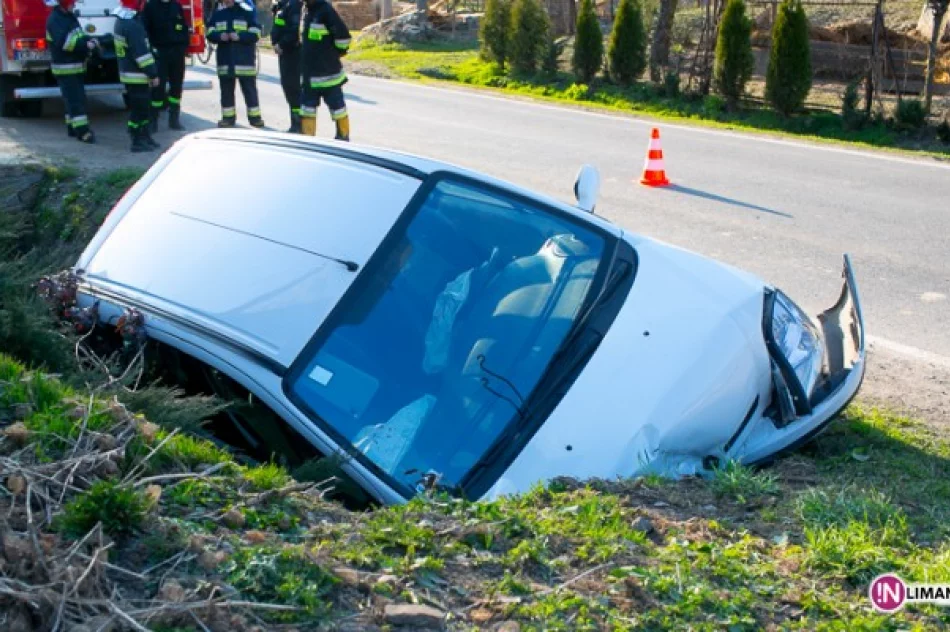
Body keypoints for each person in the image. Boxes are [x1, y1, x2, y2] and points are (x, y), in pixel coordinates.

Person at [45, 0, 99, 143]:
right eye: (71, 2)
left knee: (75, 99)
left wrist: (91, 40)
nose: (74, 5)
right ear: (63, 3)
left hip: (75, 66)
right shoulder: (55, 20)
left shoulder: (68, 17)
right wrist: (87, 45)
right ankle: (83, 132)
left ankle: (72, 128)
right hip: (65, 68)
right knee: (76, 101)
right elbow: (66, 43)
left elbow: (78, 35)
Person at [207, 0, 264, 128]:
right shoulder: (219, 14)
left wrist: (239, 37)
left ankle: (255, 118)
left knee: (250, 91)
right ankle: (228, 118)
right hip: (225, 61)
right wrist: (219, 36)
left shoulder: (247, 12)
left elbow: (256, 33)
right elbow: (209, 32)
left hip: (244, 62)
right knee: (226, 92)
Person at [114, 0, 162, 152]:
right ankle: (136, 140)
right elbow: (141, 54)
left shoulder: (122, 21)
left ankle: (145, 136)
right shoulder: (132, 26)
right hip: (137, 75)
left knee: (143, 109)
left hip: (130, 73)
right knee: (140, 111)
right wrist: (153, 73)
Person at [299, 0, 351, 140]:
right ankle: (307, 140)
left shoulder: (326, 10)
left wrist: (332, 55)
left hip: (329, 76)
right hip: (310, 75)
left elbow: (344, 38)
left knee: (338, 109)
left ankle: (343, 136)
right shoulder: (306, 10)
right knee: (307, 110)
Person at [142, 0, 189, 131]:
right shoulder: (150, 6)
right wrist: (152, 50)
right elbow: (145, 31)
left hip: (177, 53)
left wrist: (183, 46)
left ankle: (174, 120)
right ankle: (153, 120)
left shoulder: (176, 6)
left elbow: (183, 28)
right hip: (159, 53)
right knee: (158, 88)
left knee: (176, 86)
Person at [270, 0, 303, 133]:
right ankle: (296, 123)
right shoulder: (282, 5)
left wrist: (281, 44)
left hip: (292, 53)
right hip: (285, 54)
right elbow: (279, 26)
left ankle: (298, 124)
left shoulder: (294, 5)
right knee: (288, 87)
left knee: (293, 88)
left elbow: (294, 31)